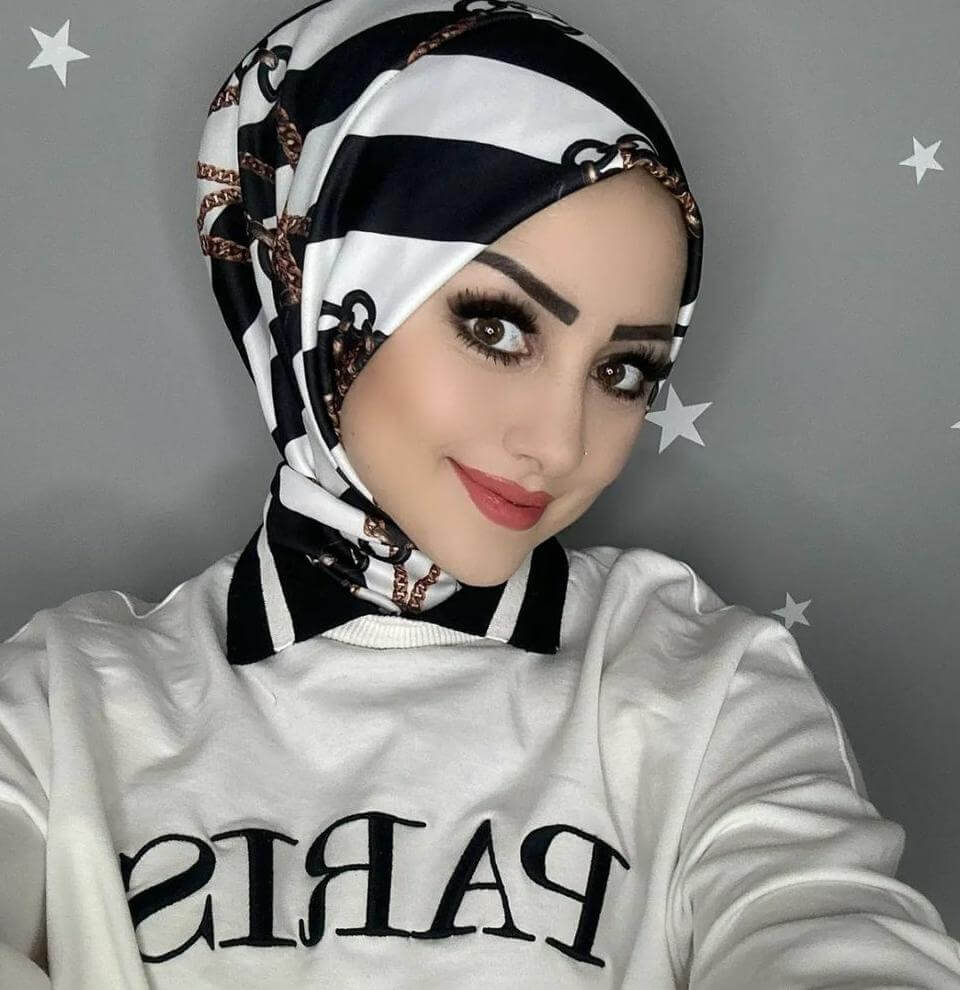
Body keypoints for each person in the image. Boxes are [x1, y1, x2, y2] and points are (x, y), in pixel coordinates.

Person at [2, 0, 959, 986]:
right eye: (498, 328)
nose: (560, 442)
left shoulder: (707, 687)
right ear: (321, 287)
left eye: (623, 371)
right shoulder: (67, 700)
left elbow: (828, 925)